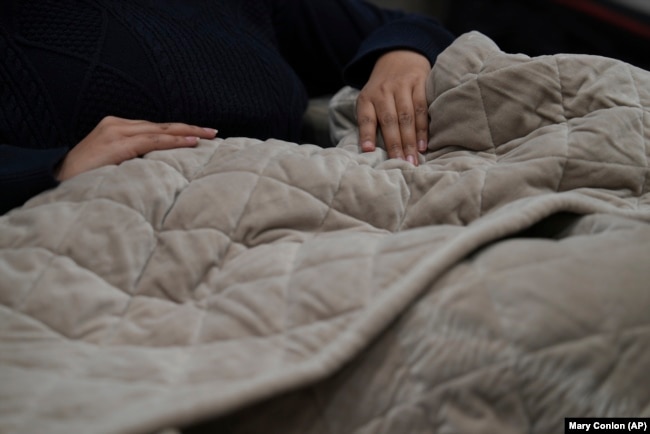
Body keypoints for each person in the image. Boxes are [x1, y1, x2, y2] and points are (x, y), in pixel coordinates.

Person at [0, 0, 455, 214]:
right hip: (123, 228)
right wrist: (51, 168)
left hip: (314, 204)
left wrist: (398, 60)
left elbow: (404, 27)